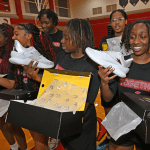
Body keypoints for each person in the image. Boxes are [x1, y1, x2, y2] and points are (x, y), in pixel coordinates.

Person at [26, 18, 100, 150]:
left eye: (66, 38)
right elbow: (53, 82)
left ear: (79, 38)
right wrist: (36, 76)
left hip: (80, 128)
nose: (61, 41)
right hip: (63, 121)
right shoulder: (62, 56)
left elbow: (84, 106)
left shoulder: (90, 67)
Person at [0, 22, 55, 150]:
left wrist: (36, 77)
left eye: (16, 34)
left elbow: (54, 83)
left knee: (40, 144)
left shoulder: (44, 55)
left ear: (28, 36)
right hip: (25, 103)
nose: (13, 38)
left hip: (41, 104)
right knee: (37, 141)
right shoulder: (15, 58)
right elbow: (11, 83)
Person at [98, 20, 150, 150]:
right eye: (132, 37)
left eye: (143, 37)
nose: (136, 41)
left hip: (146, 125)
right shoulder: (120, 64)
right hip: (122, 120)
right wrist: (104, 83)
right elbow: (108, 98)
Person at [97, 9, 128, 150]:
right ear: (110, 23)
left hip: (125, 82)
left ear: (126, 21)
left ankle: (123, 141)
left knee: (125, 114)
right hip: (109, 81)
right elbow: (99, 60)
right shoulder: (104, 41)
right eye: (114, 20)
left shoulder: (131, 39)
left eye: (120, 19)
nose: (117, 22)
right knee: (109, 112)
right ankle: (109, 139)